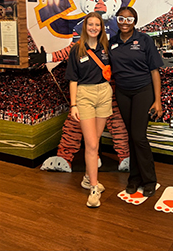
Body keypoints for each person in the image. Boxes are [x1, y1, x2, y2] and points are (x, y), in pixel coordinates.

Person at [110, 6, 164, 199]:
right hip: (123, 93)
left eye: (129, 19)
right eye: (121, 19)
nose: (125, 22)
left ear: (135, 21)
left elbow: (155, 71)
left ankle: (149, 180)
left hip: (143, 91)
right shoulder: (112, 42)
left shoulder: (144, 40)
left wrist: (157, 101)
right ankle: (134, 179)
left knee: (138, 136)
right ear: (117, 20)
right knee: (131, 137)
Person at [64, 12, 112, 208]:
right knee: (91, 145)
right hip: (84, 95)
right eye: (90, 24)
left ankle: (86, 177)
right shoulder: (77, 50)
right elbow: (73, 79)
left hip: (104, 93)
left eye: (97, 25)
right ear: (85, 27)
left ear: (101, 28)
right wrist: (73, 104)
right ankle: (93, 187)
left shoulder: (107, 48)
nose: (94, 27)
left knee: (96, 141)